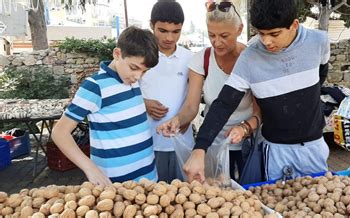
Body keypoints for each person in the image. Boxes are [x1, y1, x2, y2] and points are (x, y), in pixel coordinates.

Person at [177, 0, 331, 182]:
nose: (266, 41)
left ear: (294, 25)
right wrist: (199, 149)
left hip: (314, 146)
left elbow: (320, 76)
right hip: (276, 151)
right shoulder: (250, 58)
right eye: (261, 34)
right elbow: (224, 104)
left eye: (274, 34)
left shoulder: (319, 41)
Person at [157, 0, 261, 181]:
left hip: (247, 145)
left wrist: (244, 128)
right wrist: (177, 120)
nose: (217, 42)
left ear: (239, 29)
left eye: (224, 35)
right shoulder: (201, 59)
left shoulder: (252, 60)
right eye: (211, 35)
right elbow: (191, 106)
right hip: (212, 144)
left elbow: (260, 114)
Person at [51, 26, 159, 185]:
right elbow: (59, 132)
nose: (138, 76)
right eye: (134, 68)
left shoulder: (130, 80)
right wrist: (90, 168)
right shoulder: (95, 86)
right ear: (117, 54)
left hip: (148, 180)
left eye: (144, 71)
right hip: (115, 186)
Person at [139, 0, 193, 183]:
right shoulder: (140, 56)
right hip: (148, 143)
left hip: (182, 143)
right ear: (151, 25)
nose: (169, 38)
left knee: (184, 199)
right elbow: (124, 90)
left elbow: (194, 99)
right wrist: (144, 104)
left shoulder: (190, 58)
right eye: (162, 31)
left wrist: (185, 118)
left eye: (176, 31)